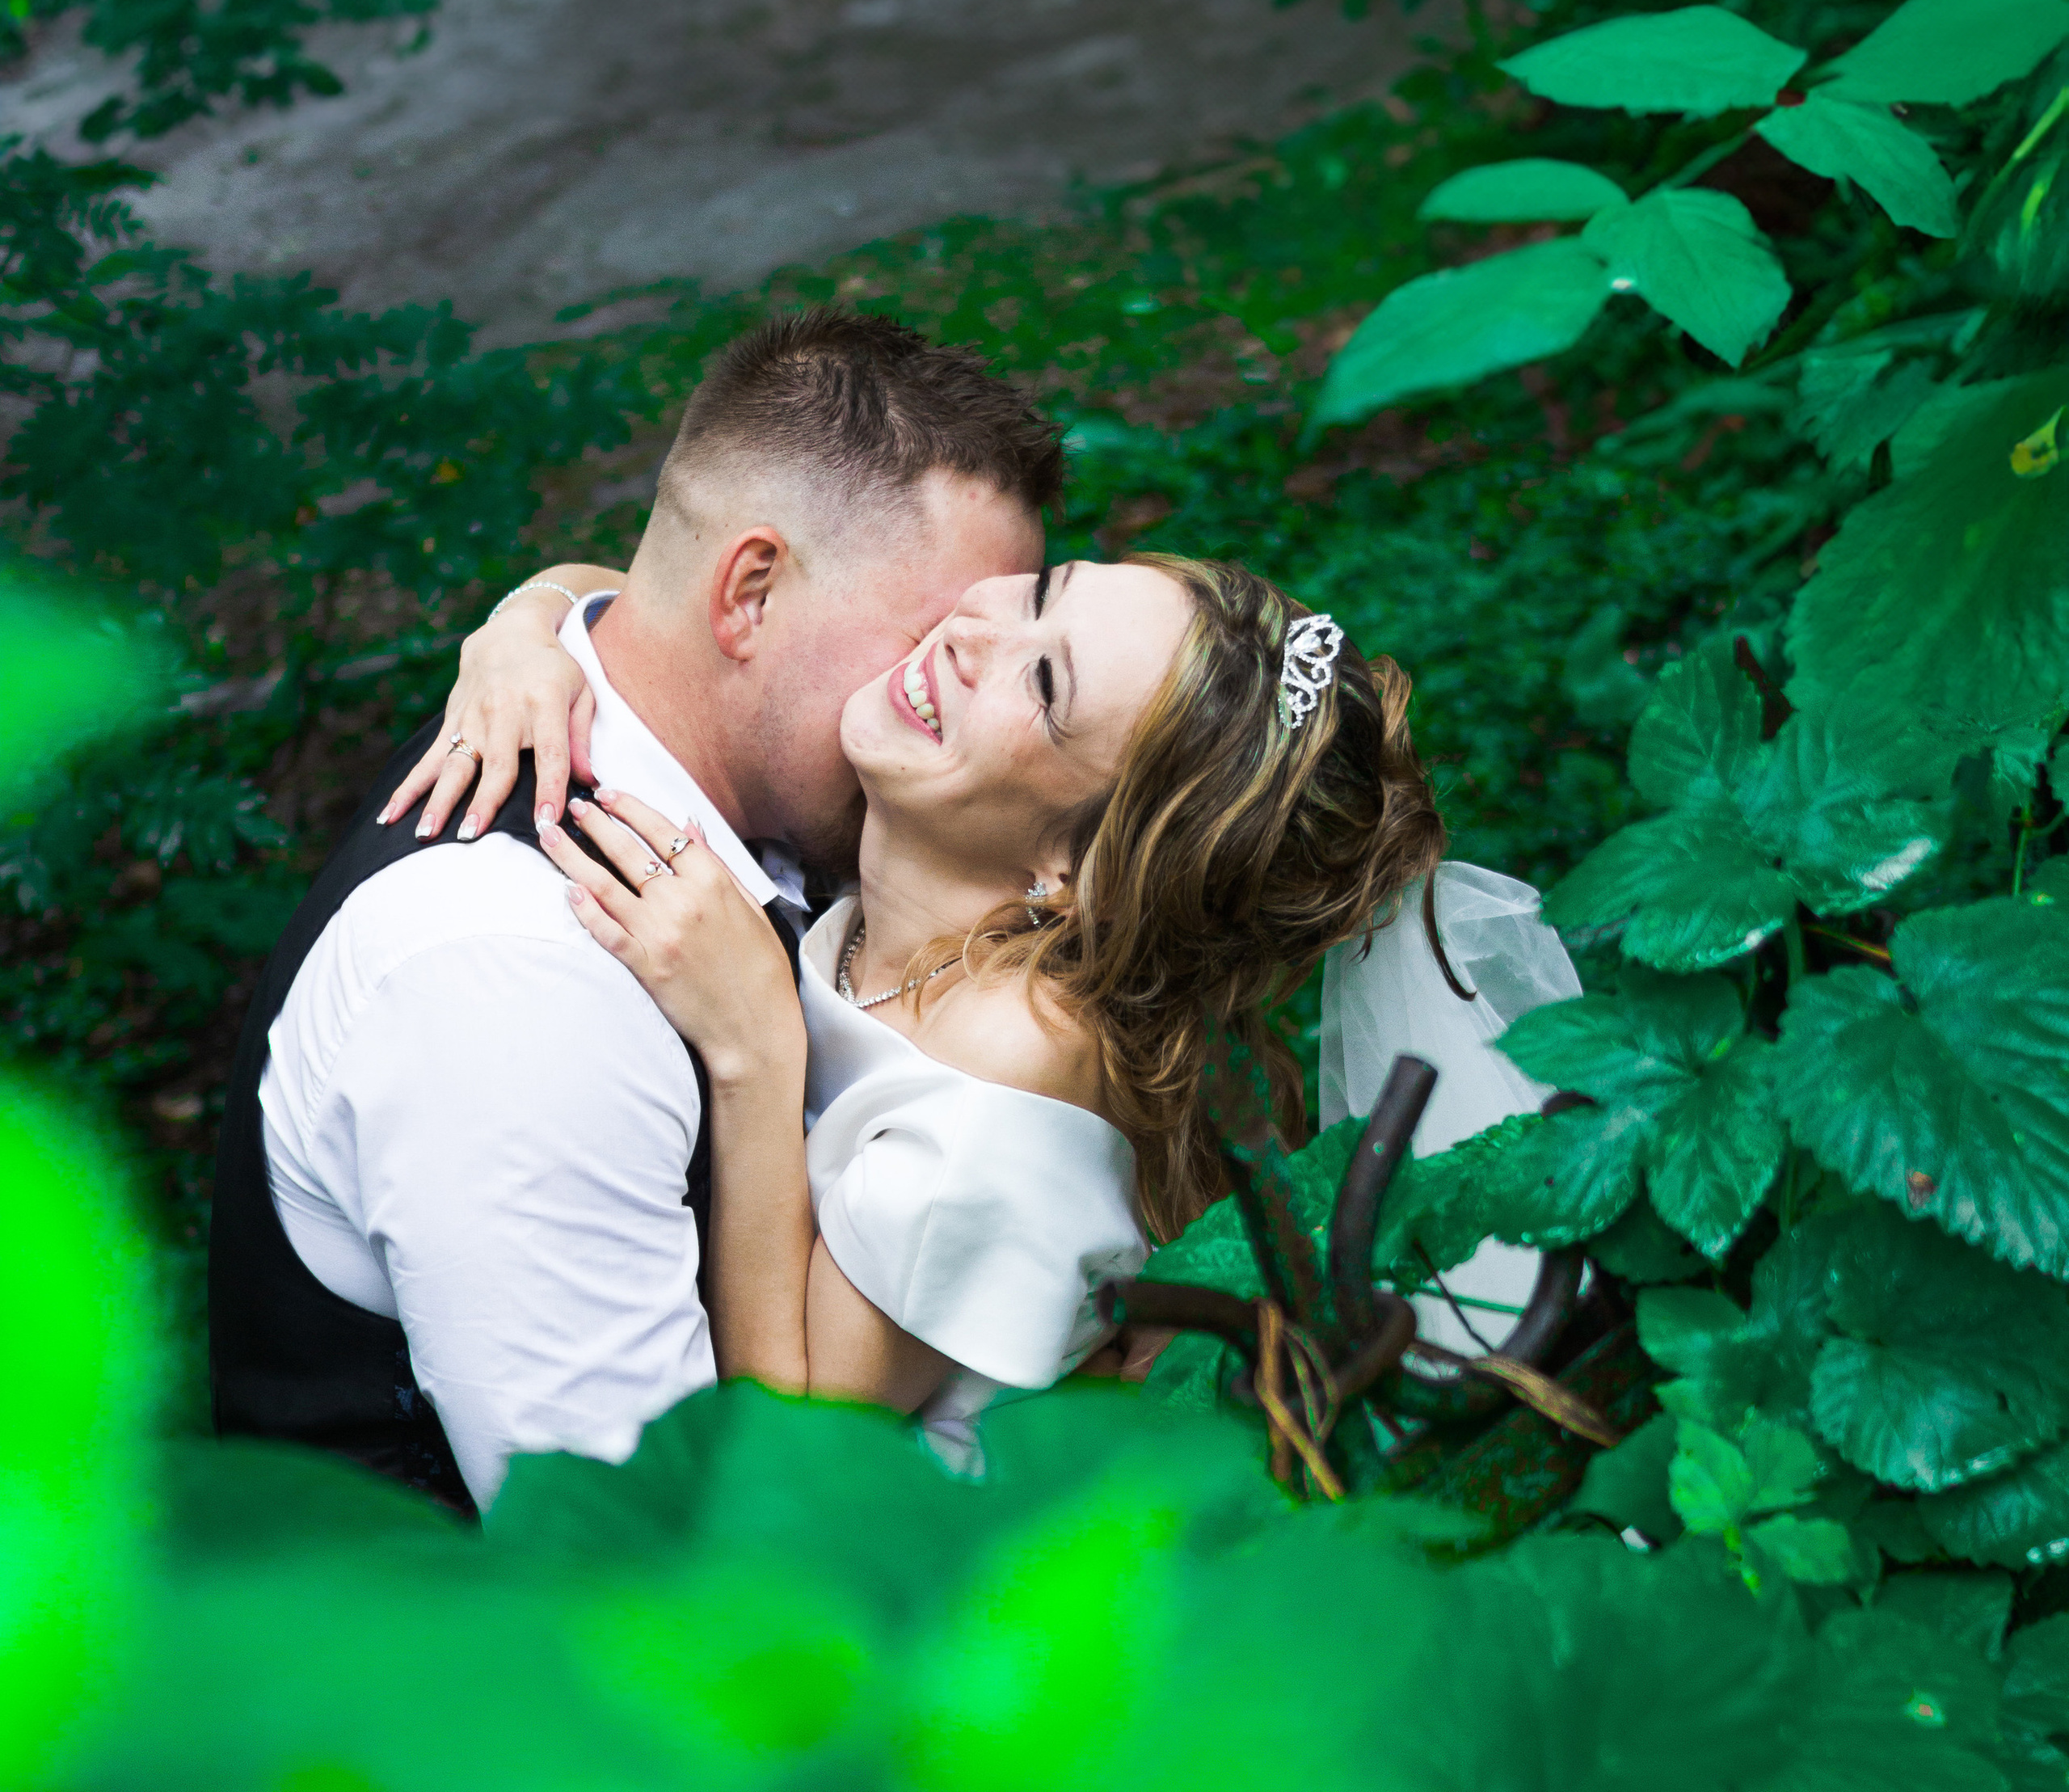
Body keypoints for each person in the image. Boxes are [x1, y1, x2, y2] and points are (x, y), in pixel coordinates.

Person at [208, 310, 1061, 1516]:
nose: (940, 692)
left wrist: (527, 613)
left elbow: (619, 589)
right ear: (750, 593)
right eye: (930, 642)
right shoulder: (520, 988)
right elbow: (632, 1554)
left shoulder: (679, 717)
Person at [428, 545, 1447, 1460]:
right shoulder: (918, 874)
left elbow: (803, 1443)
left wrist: (755, 1052)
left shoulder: (1015, 1053)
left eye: (1044, 681)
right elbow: (658, 577)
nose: (973, 631)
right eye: (1045, 590)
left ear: (1076, 868)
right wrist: (522, 630)